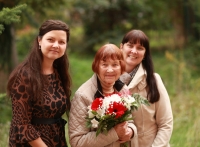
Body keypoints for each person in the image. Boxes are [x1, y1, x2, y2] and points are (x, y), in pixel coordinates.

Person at [7, 19, 71, 147]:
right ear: (39, 40)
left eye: (61, 42)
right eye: (51, 40)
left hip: (57, 140)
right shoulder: (24, 76)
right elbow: (22, 124)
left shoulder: (59, 72)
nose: (56, 45)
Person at [69, 44, 138, 147]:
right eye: (104, 64)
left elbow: (130, 121)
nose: (110, 70)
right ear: (96, 67)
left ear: (121, 67)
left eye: (115, 65)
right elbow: (77, 142)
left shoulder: (123, 89)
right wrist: (114, 134)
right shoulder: (83, 96)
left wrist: (131, 131)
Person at [119, 29, 173, 147]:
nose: (134, 51)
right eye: (130, 45)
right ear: (121, 47)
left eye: (140, 48)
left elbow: (166, 123)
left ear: (144, 54)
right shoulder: (109, 80)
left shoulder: (154, 80)